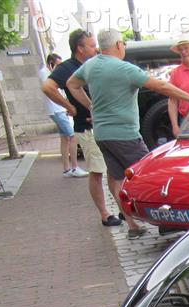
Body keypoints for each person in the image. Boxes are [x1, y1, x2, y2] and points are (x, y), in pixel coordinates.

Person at [66, 28, 189, 239]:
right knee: (151, 176)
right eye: (123, 43)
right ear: (118, 45)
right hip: (125, 135)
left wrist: (91, 106)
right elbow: (161, 85)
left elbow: (71, 84)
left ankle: (133, 226)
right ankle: (165, 221)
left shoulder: (91, 65)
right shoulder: (124, 69)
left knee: (116, 178)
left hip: (102, 134)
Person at [41, 29, 120, 228]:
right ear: (80, 48)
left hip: (106, 125)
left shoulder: (96, 63)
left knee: (114, 170)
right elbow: (47, 87)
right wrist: (70, 107)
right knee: (97, 170)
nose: (96, 49)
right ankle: (105, 214)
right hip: (87, 127)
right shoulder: (67, 67)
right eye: (92, 46)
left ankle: (122, 208)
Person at [39, 54, 86, 178]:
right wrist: (68, 106)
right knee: (72, 136)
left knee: (65, 138)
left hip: (57, 110)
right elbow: (49, 89)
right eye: (58, 65)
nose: (61, 68)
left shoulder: (48, 73)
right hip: (57, 110)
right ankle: (75, 167)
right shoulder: (45, 73)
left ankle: (66, 169)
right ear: (51, 64)